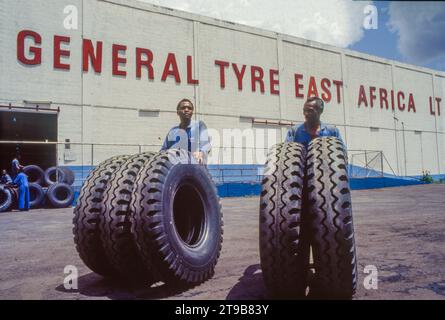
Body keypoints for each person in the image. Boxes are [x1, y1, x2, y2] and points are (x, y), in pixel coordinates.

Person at [161, 98, 211, 164]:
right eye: (183, 108)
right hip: (176, 167)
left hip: (195, 166)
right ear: (177, 112)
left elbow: (206, 145)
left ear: (192, 112)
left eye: (189, 108)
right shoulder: (173, 131)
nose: (186, 110)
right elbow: (164, 149)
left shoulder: (199, 126)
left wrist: (201, 153)